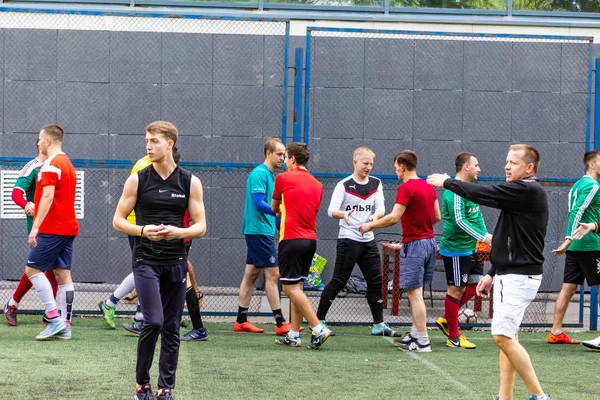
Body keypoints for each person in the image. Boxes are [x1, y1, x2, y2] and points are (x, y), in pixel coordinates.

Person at [427, 144, 550, 400]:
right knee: (509, 337)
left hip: (518, 277)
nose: (506, 166)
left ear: (529, 168)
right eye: (507, 161)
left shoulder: (527, 189)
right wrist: (492, 273)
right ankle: (504, 396)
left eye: (513, 162)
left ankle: (539, 395)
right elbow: (510, 238)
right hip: (512, 274)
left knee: (502, 337)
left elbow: (484, 193)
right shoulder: (520, 193)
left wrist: (448, 182)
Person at [112, 121, 207, 400]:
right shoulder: (138, 179)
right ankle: (142, 384)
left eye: (154, 141)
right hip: (145, 260)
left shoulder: (190, 181)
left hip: (177, 260)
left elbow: (200, 226)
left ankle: (165, 388)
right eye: (146, 141)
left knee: (171, 326)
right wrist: (142, 230)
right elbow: (118, 220)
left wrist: (180, 232)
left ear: (170, 144)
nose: (148, 146)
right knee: (153, 321)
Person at [359, 150, 440, 352]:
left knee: (415, 294)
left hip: (415, 244)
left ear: (402, 167)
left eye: (396, 168)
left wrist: (371, 225)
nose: (396, 171)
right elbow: (437, 216)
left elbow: (394, 217)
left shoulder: (406, 188)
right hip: (430, 242)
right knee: (417, 292)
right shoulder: (428, 187)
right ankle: (415, 334)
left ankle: (422, 340)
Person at [316, 147, 400, 337]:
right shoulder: (344, 185)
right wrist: (343, 213)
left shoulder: (376, 183)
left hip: (368, 240)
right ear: (355, 162)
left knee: (376, 281)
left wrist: (374, 219)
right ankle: (319, 321)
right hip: (348, 239)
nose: (368, 167)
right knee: (339, 280)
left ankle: (378, 325)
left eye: (371, 164)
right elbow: (331, 210)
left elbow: (381, 209)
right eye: (365, 163)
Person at [271, 142, 331, 349]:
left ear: (293, 159)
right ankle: (294, 335)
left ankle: (318, 328)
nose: (284, 161)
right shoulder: (318, 184)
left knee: (289, 288)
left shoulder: (283, 178)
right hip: (310, 241)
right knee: (297, 286)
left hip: (290, 239)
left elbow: (274, 208)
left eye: (286, 157)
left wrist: (282, 213)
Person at [24, 124, 78, 340]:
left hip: (52, 229)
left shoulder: (50, 165)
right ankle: (65, 326)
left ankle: (54, 319)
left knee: (32, 271)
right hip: (68, 228)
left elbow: (47, 197)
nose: (37, 143)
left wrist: (35, 228)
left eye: (39, 139)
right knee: (62, 273)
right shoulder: (67, 164)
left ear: (48, 141)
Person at [235, 137, 293, 336]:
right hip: (257, 231)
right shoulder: (259, 173)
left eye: (284, 154)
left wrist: (284, 227)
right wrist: (281, 214)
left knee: (251, 274)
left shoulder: (272, 176)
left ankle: (241, 320)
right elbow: (259, 203)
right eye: (279, 154)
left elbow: (273, 212)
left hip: (263, 230)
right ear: (268, 153)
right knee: (273, 274)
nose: (282, 157)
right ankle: (280, 322)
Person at [436, 152, 492, 349]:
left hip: (470, 248)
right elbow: (460, 221)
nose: (479, 169)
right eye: (476, 165)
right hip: (456, 249)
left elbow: (476, 216)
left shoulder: (469, 189)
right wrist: (483, 237)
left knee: (478, 285)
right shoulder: (454, 191)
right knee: (456, 290)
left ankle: (446, 319)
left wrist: (486, 237)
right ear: (466, 167)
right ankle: (454, 336)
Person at [3, 139, 58, 326]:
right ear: (40, 145)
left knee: (56, 268)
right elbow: (16, 192)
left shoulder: (57, 165)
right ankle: (12, 304)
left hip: (57, 226)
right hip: (39, 226)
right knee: (37, 267)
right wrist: (26, 204)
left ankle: (50, 314)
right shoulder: (33, 167)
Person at [549, 150, 600, 346]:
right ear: (592, 165)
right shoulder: (593, 186)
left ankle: (556, 331)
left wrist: (569, 241)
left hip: (577, 246)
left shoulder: (577, 185)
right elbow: (577, 211)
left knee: (568, 287)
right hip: (590, 244)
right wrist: (569, 238)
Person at [99, 155, 151, 331]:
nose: (150, 146)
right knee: (146, 271)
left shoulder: (160, 166)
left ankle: (114, 305)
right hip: (138, 228)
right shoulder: (143, 166)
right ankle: (138, 318)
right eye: (149, 141)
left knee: (146, 271)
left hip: (147, 228)